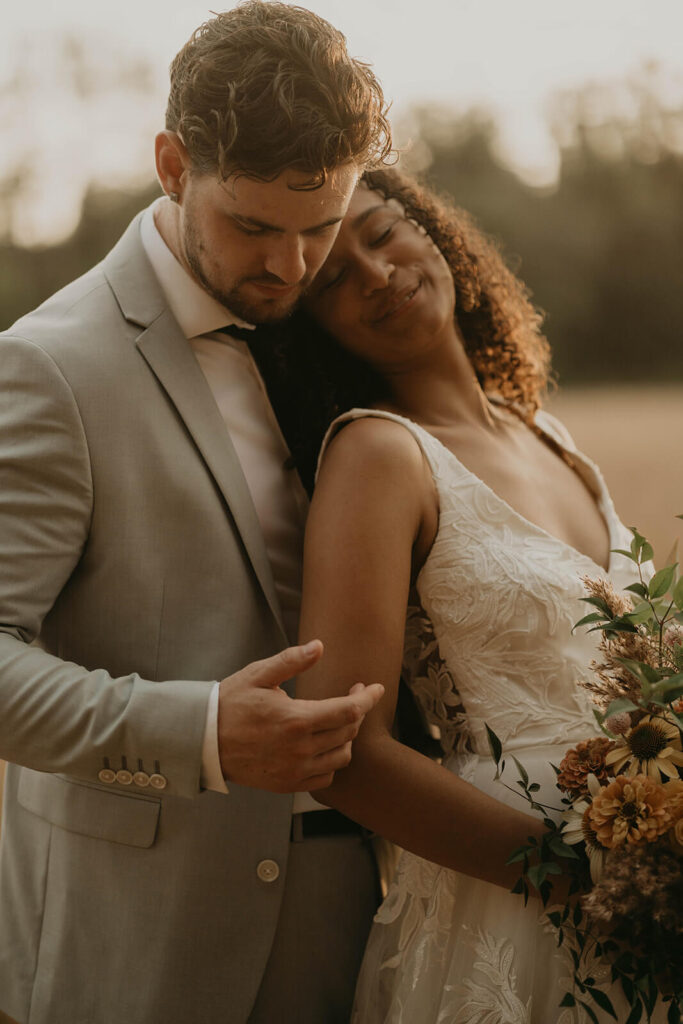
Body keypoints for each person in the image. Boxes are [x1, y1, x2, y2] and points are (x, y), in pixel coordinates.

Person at [0, 6, 391, 1023]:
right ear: (173, 164)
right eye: (253, 226)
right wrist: (203, 731)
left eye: (321, 227)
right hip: (143, 936)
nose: (291, 267)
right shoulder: (50, 366)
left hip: (363, 921)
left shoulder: (336, 321)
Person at [267, 167, 659, 1022]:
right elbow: (346, 754)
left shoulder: (541, 430)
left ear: (431, 230)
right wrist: (580, 878)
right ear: (313, 328)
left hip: (648, 886)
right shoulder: (377, 455)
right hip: (514, 905)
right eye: (334, 280)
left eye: (381, 234)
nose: (376, 274)